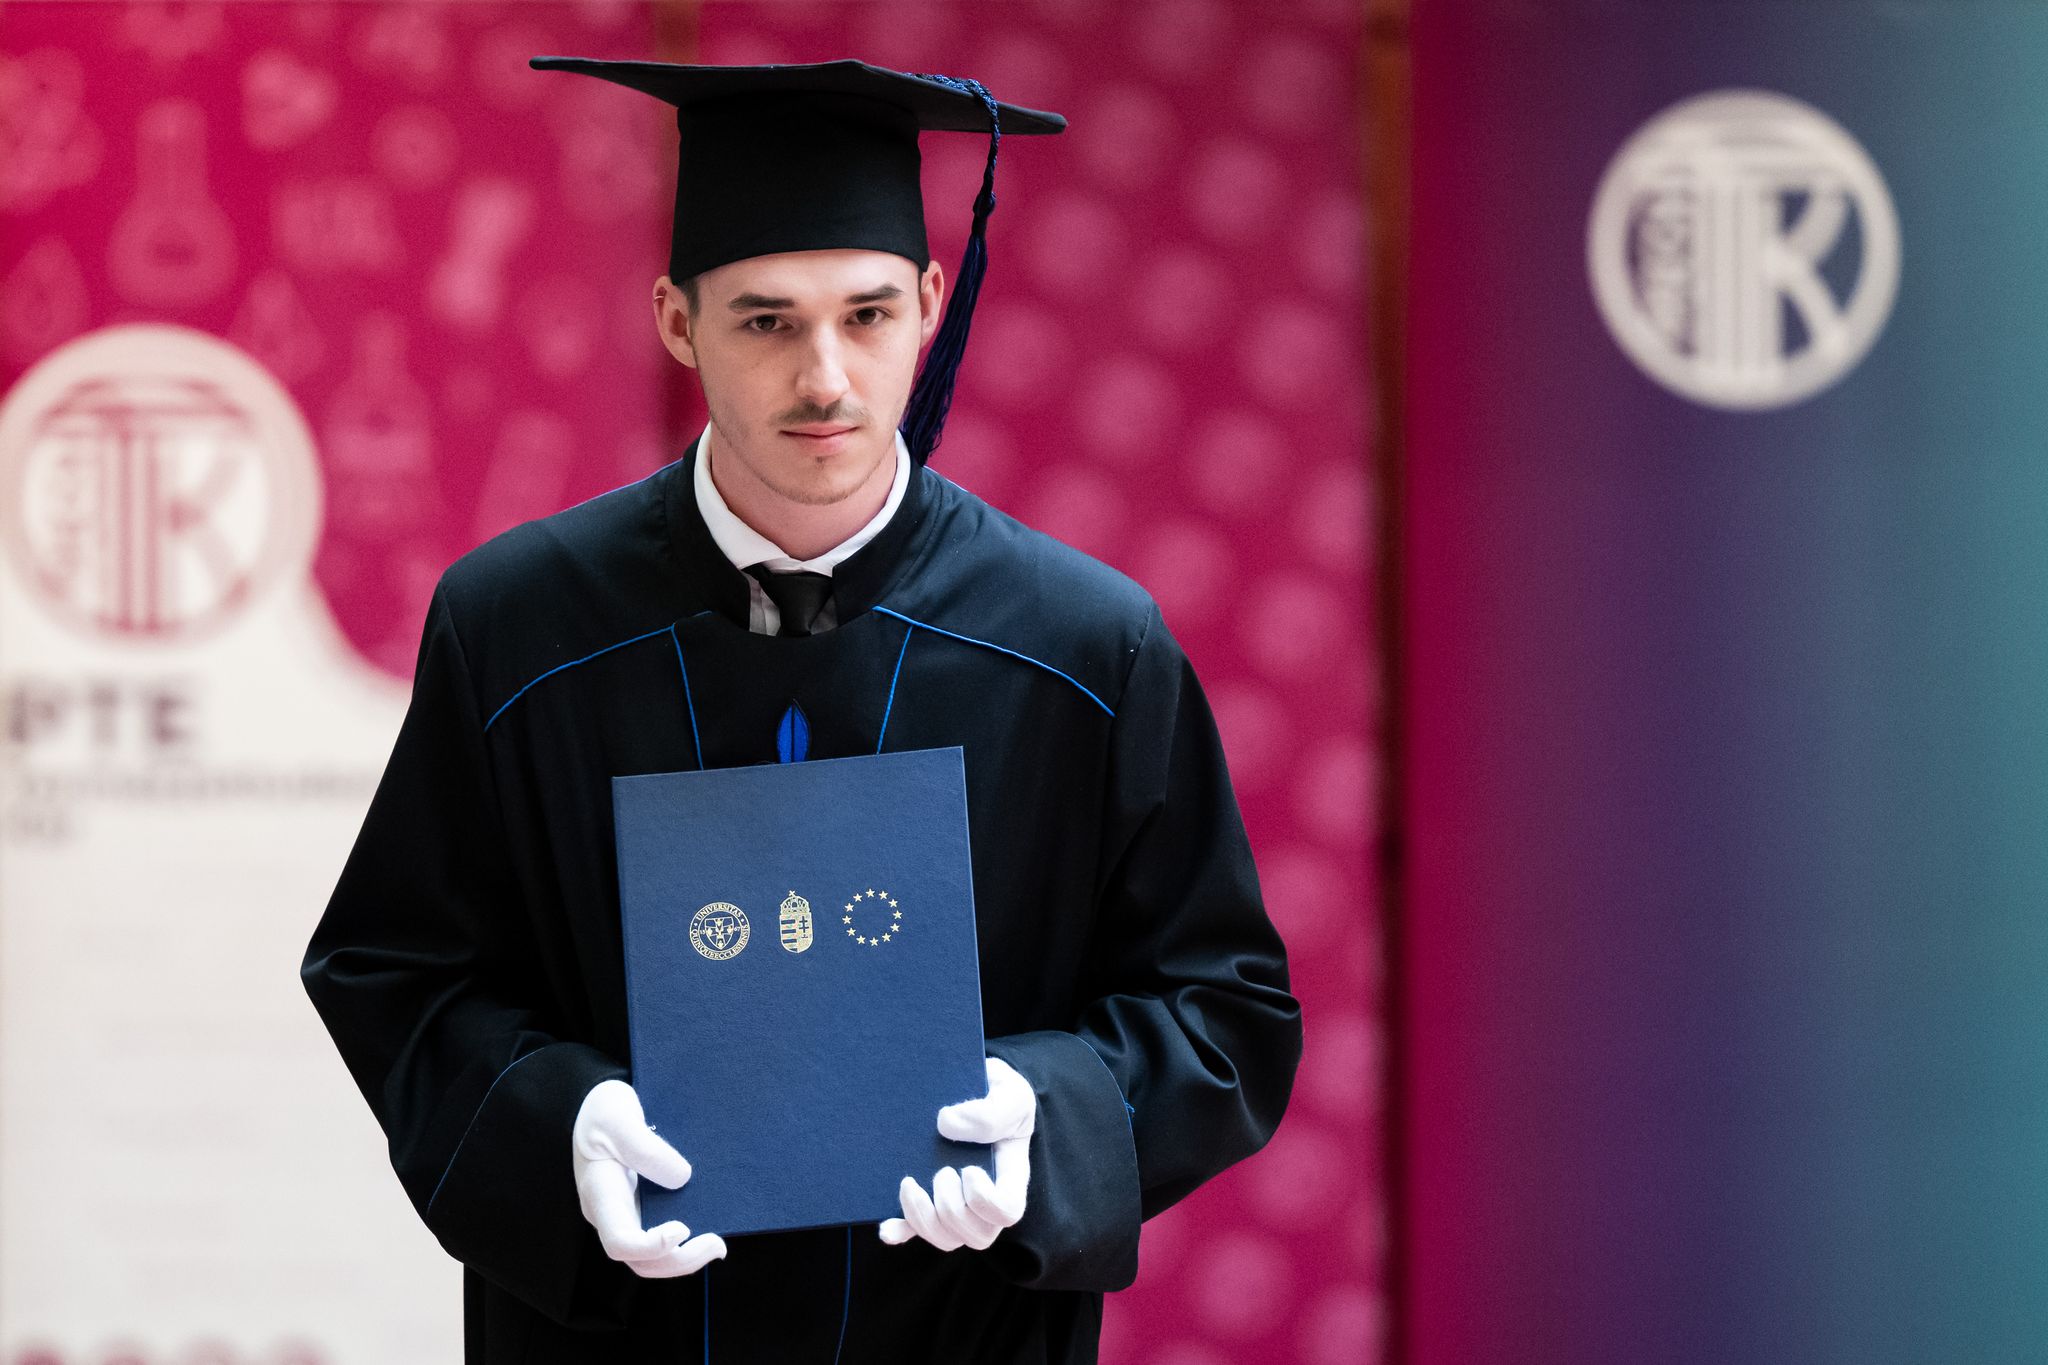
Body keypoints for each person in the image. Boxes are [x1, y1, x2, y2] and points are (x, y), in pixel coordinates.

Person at [301, 57, 1301, 1365]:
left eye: (867, 314)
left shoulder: (1085, 649)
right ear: (677, 321)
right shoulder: (517, 628)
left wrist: (1044, 1113)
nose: (825, 377)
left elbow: (1226, 1009)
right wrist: (561, 1123)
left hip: (962, 1335)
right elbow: (394, 968)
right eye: (766, 321)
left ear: (930, 304)